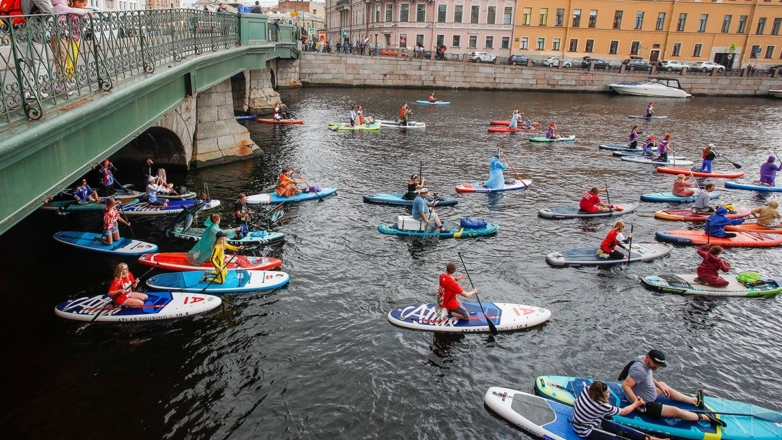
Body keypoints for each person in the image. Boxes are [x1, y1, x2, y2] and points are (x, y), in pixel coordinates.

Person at [620, 349, 724, 427]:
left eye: (659, 365)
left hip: (646, 394)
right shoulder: (639, 370)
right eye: (655, 364)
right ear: (648, 357)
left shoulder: (643, 360)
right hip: (646, 404)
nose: (657, 367)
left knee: (663, 384)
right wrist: (636, 403)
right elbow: (626, 385)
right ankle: (705, 418)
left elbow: (647, 377)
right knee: (676, 411)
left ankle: (695, 401)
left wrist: (659, 385)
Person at [571, 381, 663, 440]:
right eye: (607, 392)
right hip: (584, 431)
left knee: (619, 428)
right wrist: (636, 404)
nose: (609, 393)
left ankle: (650, 438)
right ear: (600, 395)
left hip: (589, 420)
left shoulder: (586, 390)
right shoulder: (602, 406)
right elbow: (624, 412)